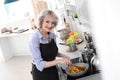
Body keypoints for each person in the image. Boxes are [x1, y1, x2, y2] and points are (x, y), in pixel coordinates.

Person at [29, 9, 72, 80]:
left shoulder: (52, 35)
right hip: (41, 74)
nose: (50, 25)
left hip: (52, 69)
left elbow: (51, 52)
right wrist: (60, 61)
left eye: (53, 23)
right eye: (47, 22)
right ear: (41, 21)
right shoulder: (34, 39)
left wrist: (64, 56)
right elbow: (39, 65)